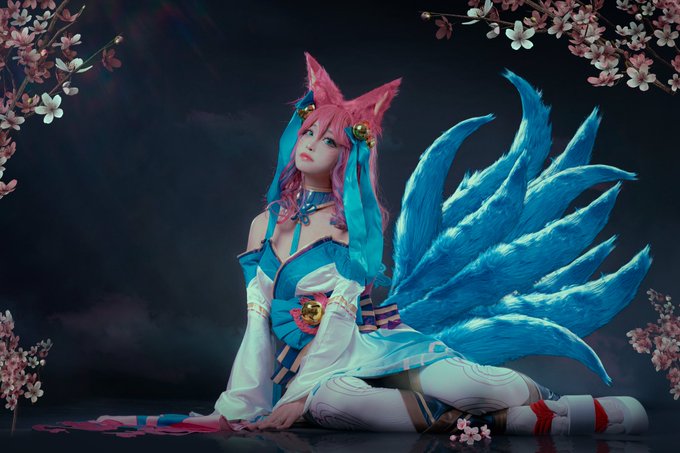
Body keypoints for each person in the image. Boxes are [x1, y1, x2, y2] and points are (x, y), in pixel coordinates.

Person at [34, 53, 651, 437]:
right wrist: (244, 402)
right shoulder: (261, 226)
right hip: (315, 375)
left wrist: (299, 397)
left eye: (328, 140)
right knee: (334, 408)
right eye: (308, 132)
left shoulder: (355, 225)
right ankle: (504, 426)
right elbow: (257, 327)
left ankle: (531, 409)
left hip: (364, 346)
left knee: (491, 388)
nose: (311, 145)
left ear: (348, 155)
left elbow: (336, 324)